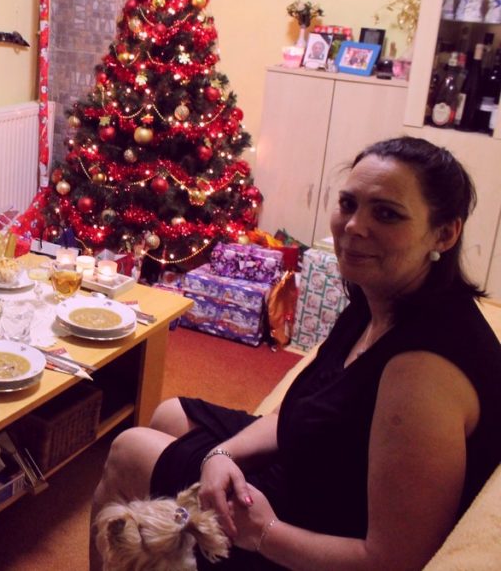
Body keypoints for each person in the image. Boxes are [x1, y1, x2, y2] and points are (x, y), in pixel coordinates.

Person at [91, 137, 501, 570]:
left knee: (129, 450)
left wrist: (263, 533)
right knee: (169, 414)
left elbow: (393, 561)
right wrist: (220, 455)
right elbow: (308, 408)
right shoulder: (379, 298)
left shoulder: (423, 371)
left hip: (312, 531)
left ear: (445, 233)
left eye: (386, 214)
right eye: (349, 204)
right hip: (321, 462)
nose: (354, 226)